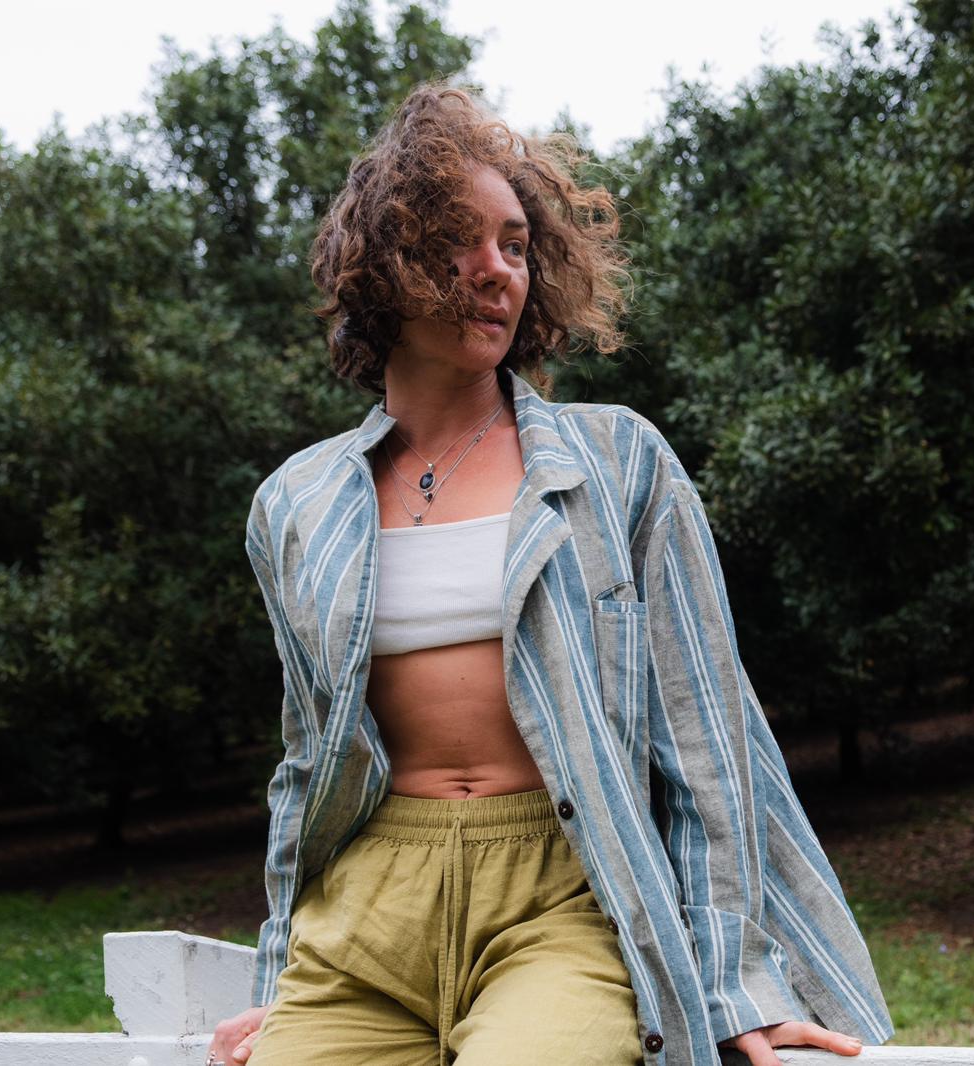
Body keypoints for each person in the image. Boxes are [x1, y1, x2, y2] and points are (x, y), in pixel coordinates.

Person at [207, 82, 893, 1066]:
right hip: (364, 915)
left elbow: (705, 738)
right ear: (383, 259)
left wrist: (734, 982)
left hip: (560, 896)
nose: (497, 271)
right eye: (462, 239)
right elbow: (307, 765)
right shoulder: (298, 504)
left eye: (517, 245)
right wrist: (280, 983)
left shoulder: (619, 464)